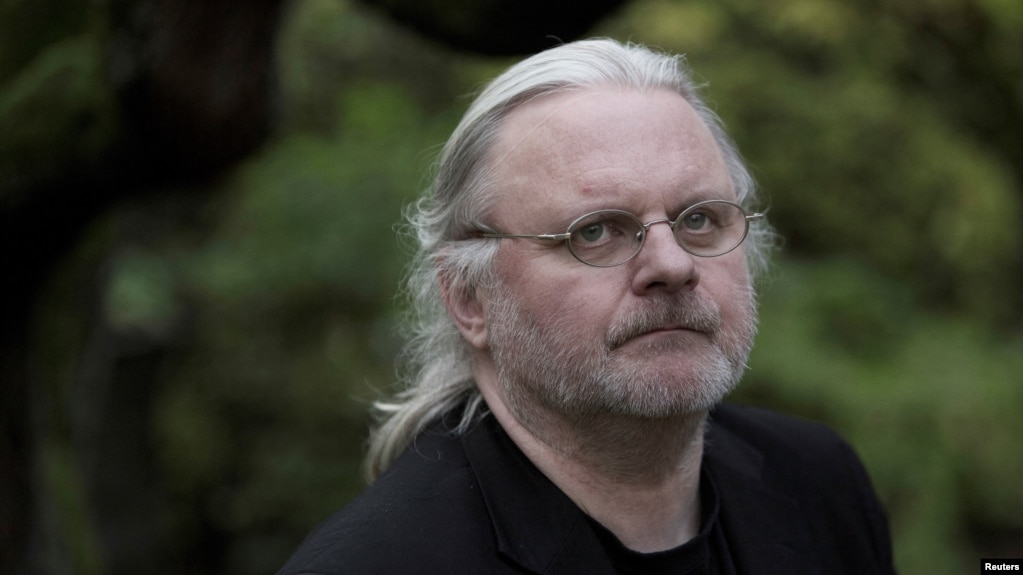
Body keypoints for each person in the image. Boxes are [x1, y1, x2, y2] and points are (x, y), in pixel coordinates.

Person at [276, 38, 896, 574]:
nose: (672, 265)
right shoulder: (376, 564)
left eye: (699, 219)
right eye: (595, 232)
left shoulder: (820, 484)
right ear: (469, 298)